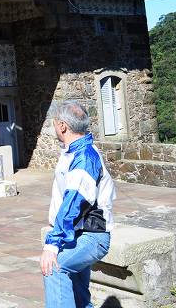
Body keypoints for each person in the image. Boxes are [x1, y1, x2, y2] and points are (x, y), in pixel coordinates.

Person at [41, 100, 116, 308]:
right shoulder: (75, 152)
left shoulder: (84, 158)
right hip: (76, 233)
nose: (54, 127)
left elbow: (74, 203)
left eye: (54, 123)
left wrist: (52, 244)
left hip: (91, 236)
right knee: (78, 297)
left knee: (54, 268)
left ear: (62, 126)